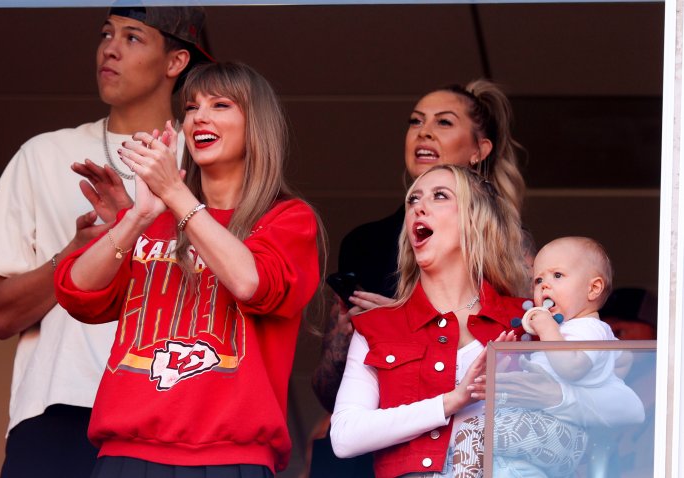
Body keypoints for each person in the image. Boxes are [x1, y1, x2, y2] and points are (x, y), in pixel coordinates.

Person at [0, 7, 212, 477]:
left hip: (173, 408)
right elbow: (1, 314)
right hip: (58, 408)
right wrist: (78, 252)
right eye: (106, 34)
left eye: (133, 37)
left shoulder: (206, 158)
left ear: (175, 62)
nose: (110, 49)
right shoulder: (43, 154)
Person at [54, 62, 322, 477]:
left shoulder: (287, 218)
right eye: (191, 107)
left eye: (220, 105)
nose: (200, 116)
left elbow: (250, 283)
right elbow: (74, 290)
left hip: (231, 459)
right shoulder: (155, 216)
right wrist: (137, 217)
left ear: (257, 126)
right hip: (126, 453)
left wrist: (175, 195)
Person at [310, 80, 526, 477]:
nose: (424, 132)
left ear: (480, 149)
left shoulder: (521, 313)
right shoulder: (368, 250)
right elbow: (340, 417)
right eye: (415, 121)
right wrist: (361, 325)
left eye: (443, 122)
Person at [453, 236, 640, 477]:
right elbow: (622, 361)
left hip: (560, 430)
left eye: (557, 276)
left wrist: (548, 330)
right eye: (538, 280)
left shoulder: (588, 328)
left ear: (593, 288)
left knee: (472, 431)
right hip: (550, 429)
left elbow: (572, 368)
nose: (544, 286)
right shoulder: (569, 331)